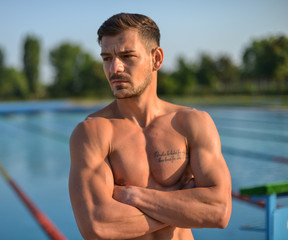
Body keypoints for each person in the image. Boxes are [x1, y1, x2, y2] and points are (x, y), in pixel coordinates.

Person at [69, 13, 232, 240]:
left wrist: (136, 197)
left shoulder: (192, 123)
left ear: (156, 58)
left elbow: (219, 211)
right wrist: (184, 208)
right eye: (107, 58)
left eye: (127, 56)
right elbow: (97, 226)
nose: (114, 68)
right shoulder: (93, 133)